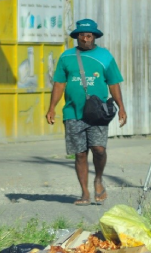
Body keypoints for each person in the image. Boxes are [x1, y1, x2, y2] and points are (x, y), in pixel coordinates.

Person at [45, 19, 127, 206]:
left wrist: (121, 107)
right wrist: (52, 108)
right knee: (80, 154)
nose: (85, 38)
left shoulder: (105, 56)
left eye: (89, 35)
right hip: (73, 112)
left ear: (95, 37)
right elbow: (59, 84)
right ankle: (84, 193)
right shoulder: (66, 57)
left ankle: (98, 179)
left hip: (97, 113)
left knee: (99, 149)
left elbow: (114, 83)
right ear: (77, 37)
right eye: (82, 35)